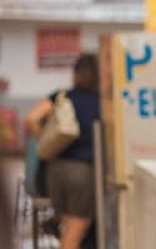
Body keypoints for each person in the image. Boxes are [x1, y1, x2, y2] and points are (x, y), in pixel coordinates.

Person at [24, 54, 100, 249]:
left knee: (68, 229)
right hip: (82, 173)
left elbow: (31, 119)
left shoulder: (62, 96)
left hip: (55, 170)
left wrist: (45, 140)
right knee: (75, 234)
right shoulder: (100, 102)